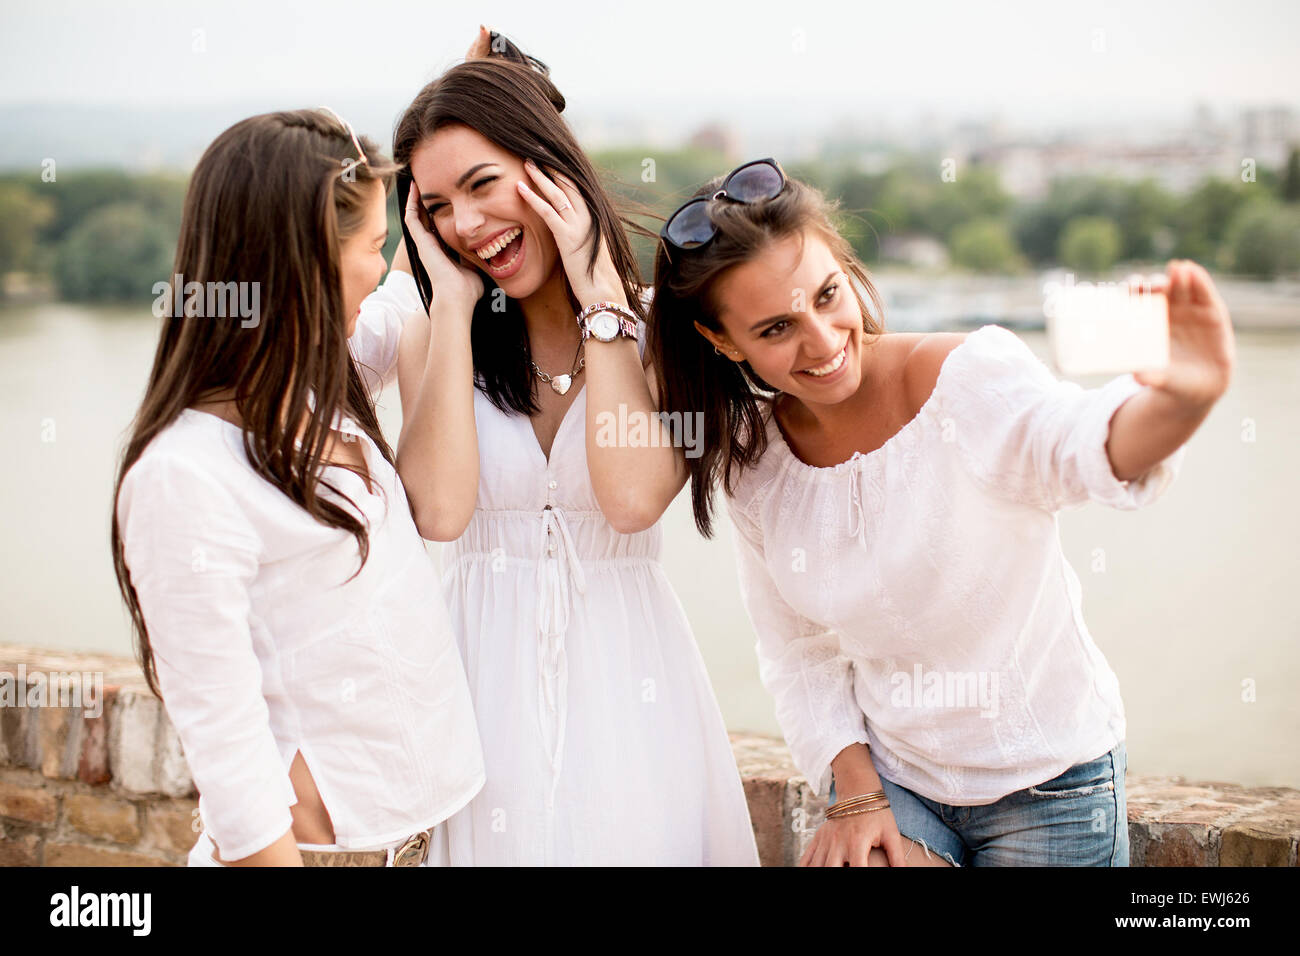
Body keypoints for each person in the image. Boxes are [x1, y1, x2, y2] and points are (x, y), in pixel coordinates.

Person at [646, 159, 1235, 866]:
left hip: (1048, 785)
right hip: (900, 785)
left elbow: (1078, 443)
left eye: (827, 294)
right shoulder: (756, 463)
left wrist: (1183, 401)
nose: (826, 341)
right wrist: (856, 794)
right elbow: (797, 651)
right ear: (722, 341)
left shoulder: (968, 377)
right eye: (776, 329)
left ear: (843, 263)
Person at [386, 32, 759, 865]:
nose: (469, 224)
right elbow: (440, 514)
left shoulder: (662, 331)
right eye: (438, 206)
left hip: (631, 695)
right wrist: (449, 304)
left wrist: (600, 296)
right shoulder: (432, 338)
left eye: (483, 185)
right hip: (478, 700)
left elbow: (629, 503)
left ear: (551, 170)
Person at [111, 108, 485, 867]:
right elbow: (230, 760)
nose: (382, 268)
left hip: (421, 846)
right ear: (307, 258)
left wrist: (461, 103)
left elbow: (405, 292)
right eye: (371, 247)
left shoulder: (322, 386)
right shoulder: (184, 477)